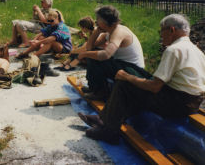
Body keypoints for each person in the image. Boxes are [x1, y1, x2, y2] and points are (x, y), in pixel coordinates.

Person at [79, 14, 205, 145]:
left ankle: (109, 131)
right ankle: (103, 119)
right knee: (136, 84)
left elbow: (154, 87)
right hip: (191, 102)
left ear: (171, 30)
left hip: (177, 103)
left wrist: (127, 76)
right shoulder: (196, 50)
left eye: (161, 31)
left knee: (124, 84)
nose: (161, 36)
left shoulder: (174, 50)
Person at [78, 5, 145, 100]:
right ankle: (94, 88)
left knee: (95, 57)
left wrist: (85, 54)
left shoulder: (118, 32)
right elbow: (89, 47)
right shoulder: (109, 31)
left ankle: (101, 92)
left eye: (98, 19)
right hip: (123, 64)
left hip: (133, 69)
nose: (96, 21)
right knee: (92, 54)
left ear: (106, 21)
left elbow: (106, 55)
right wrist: (97, 31)